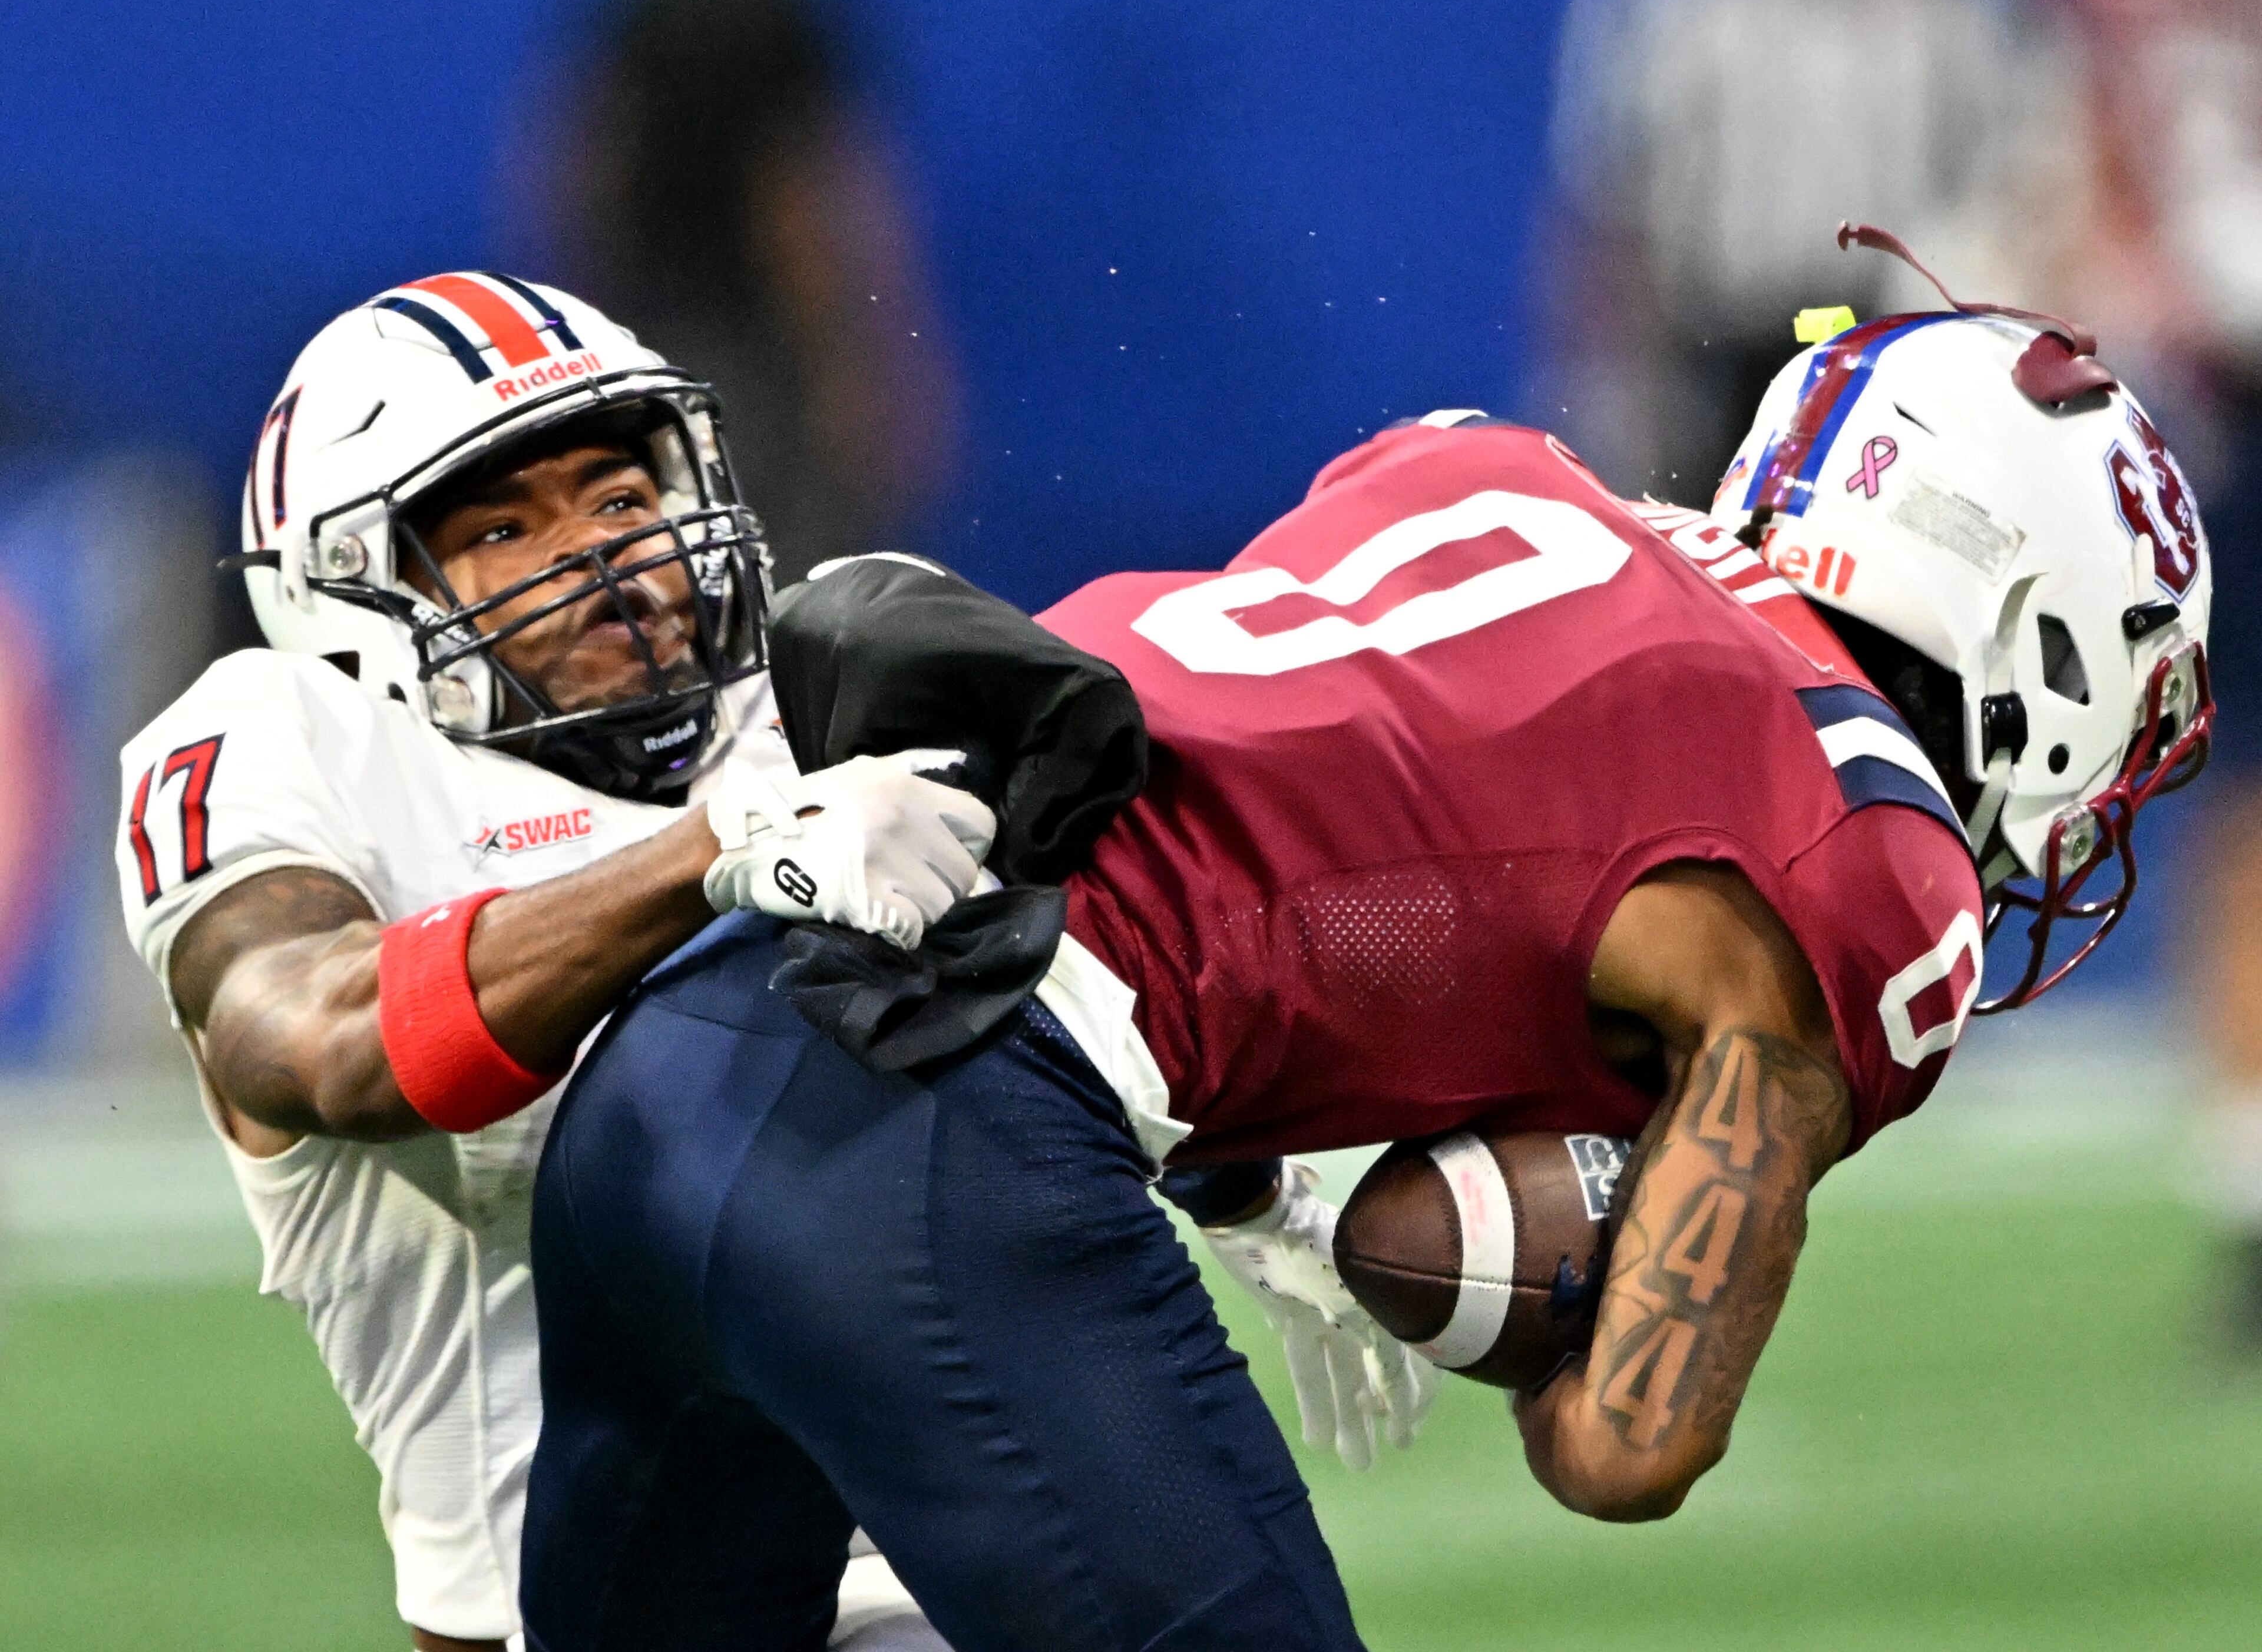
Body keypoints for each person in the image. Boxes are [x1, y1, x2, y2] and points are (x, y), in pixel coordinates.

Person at [521, 295, 2213, 1650]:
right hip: (934, 1125)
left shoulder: (1498, 470)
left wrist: (1265, 1184)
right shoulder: (1868, 855)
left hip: (677, 1043)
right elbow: (1632, 1448)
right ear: (2032, 620)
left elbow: (1257, 800)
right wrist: (1524, 1295)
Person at [112, 274, 986, 1651]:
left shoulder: (816, 704)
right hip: (590, 1602)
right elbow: (313, 1039)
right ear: (358, 593)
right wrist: (715, 850)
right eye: (506, 527)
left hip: (956, 1531)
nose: (599, 552)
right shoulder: (304, 744)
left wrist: (1252, 1174)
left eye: (621, 496)